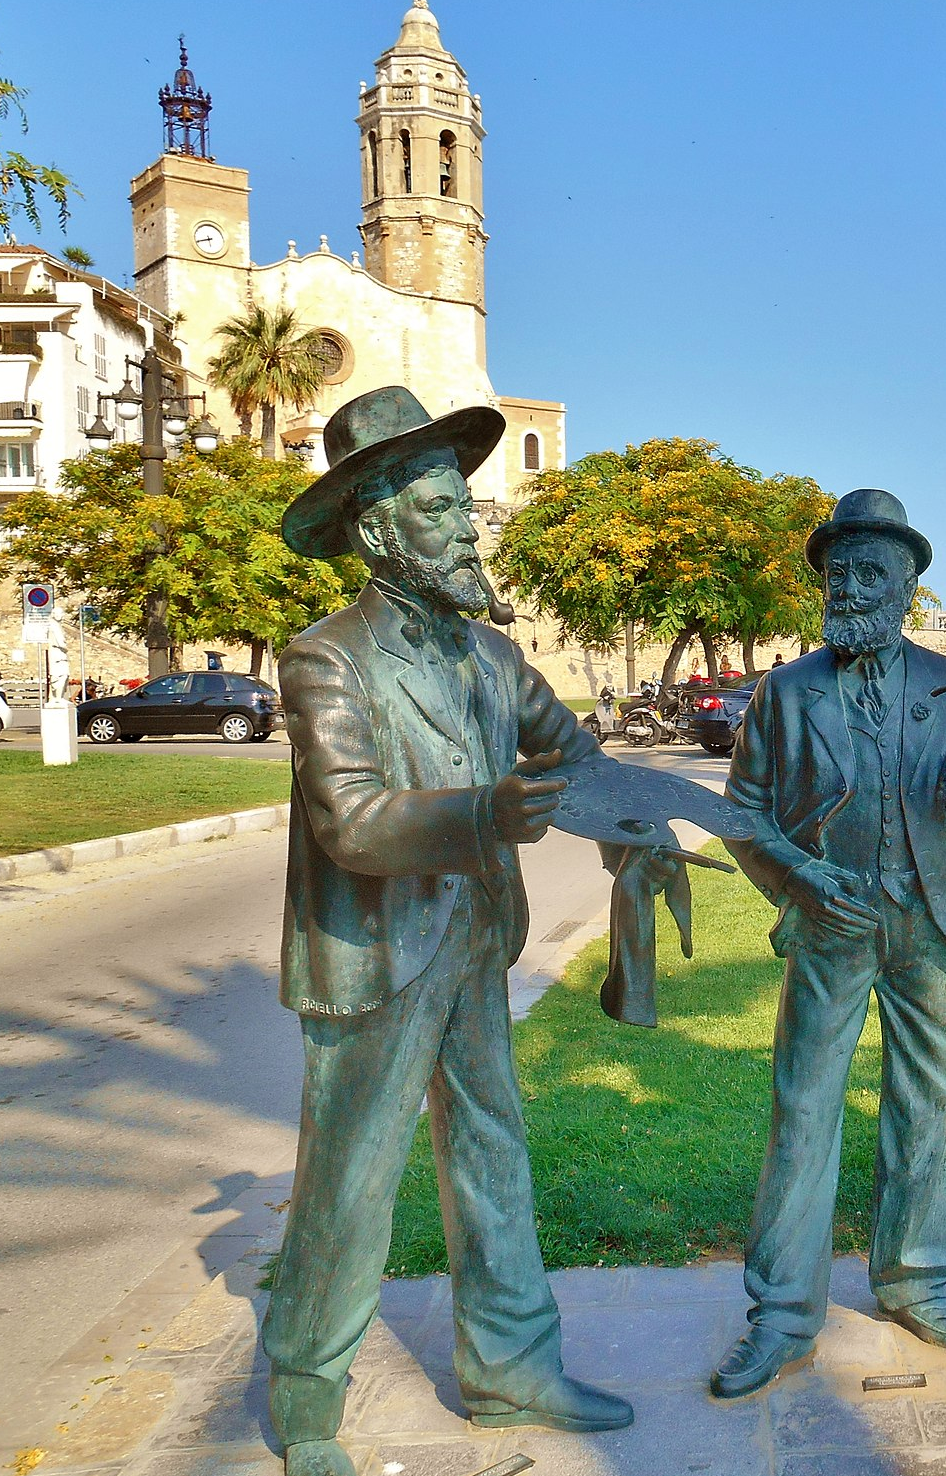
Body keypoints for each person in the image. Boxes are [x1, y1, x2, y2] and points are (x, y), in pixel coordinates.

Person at [261, 386, 682, 1476]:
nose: (465, 525)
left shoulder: (495, 661)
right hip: (375, 954)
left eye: (462, 503)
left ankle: (511, 1371)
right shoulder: (325, 657)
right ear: (378, 529)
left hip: (473, 946)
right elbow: (350, 822)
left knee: (494, 1158)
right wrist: (481, 815)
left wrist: (646, 823)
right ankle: (308, 1400)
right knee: (349, 1182)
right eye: (441, 508)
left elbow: (576, 757)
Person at [709, 488, 946, 1398]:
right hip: (832, 928)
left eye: (873, 570)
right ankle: (782, 1314)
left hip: (933, 926)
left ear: (908, 584)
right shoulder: (786, 693)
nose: (852, 585)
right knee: (805, 1111)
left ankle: (914, 1282)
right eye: (839, 570)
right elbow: (741, 814)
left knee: (923, 1110)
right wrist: (796, 878)